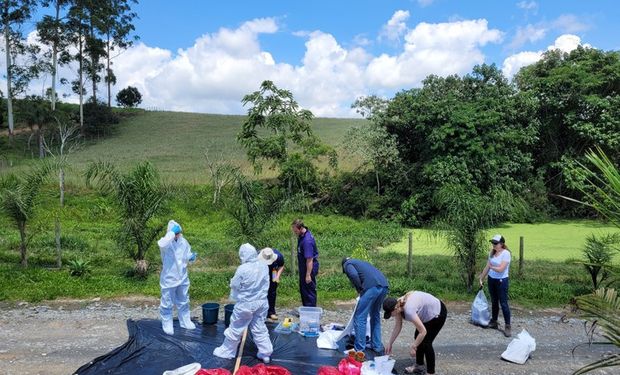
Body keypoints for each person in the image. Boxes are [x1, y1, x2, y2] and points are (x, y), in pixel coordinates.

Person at [213, 243, 273, 364]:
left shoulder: (243, 269)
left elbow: (235, 285)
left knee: (236, 327)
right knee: (259, 327)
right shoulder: (264, 266)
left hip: (246, 304)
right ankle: (266, 353)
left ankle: (227, 352)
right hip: (261, 303)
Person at [383, 291, 447, 375]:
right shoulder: (398, 305)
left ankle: (430, 372)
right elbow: (398, 326)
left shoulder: (408, 310)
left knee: (426, 342)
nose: (390, 316)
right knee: (417, 336)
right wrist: (390, 343)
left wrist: (414, 346)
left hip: (437, 313)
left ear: (395, 308)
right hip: (426, 313)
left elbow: (423, 332)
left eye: (390, 313)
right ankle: (419, 365)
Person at [157, 220, 197, 335]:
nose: (178, 234)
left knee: (184, 300)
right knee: (167, 302)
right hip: (169, 277)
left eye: (178, 232)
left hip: (182, 277)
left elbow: (186, 254)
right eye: (176, 232)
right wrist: (171, 233)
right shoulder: (165, 243)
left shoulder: (183, 242)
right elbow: (162, 243)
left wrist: (191, 257)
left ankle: (185, 321)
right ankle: (167, 323)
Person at [342, 257, 389, 354]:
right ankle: (376, 345)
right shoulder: (361, 262)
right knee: (375, 316)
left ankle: (359, 349)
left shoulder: (347, 264)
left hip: (371, 287)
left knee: (360, 317)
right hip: (384, 286)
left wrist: (360, 289)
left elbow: (354, 275)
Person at [479, 234, 512, 337]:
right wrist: (481, 278)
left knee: (503, 303)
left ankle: (507, 326)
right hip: (491, 280)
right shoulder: (492, 253)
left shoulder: (506, 254)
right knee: (494, 301)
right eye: (492, 243)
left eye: (495, 243)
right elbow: (486, 267)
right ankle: (494, 321)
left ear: (501, 244)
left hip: (501, 281)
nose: (493, 245)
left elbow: (501, 269)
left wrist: (491, 266)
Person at [291, 219, 319, 307]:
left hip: (309, 268)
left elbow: (309, 259)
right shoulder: (303, 234)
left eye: (295, 231)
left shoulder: (307, 241)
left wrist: (308, 275)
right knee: (304, 289)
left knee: (309, 291)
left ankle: (310, 311)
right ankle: (306, 309)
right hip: (304, 267)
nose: (294, 232)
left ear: (301, 228)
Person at [258, 247, 285, 321]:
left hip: (273, 271)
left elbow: (281, 266)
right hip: (261, 272)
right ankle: (260, 312)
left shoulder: (278, 256)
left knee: (272, 291)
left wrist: (277, 276)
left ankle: (271, 312)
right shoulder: (257, 256)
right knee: (260, 291)